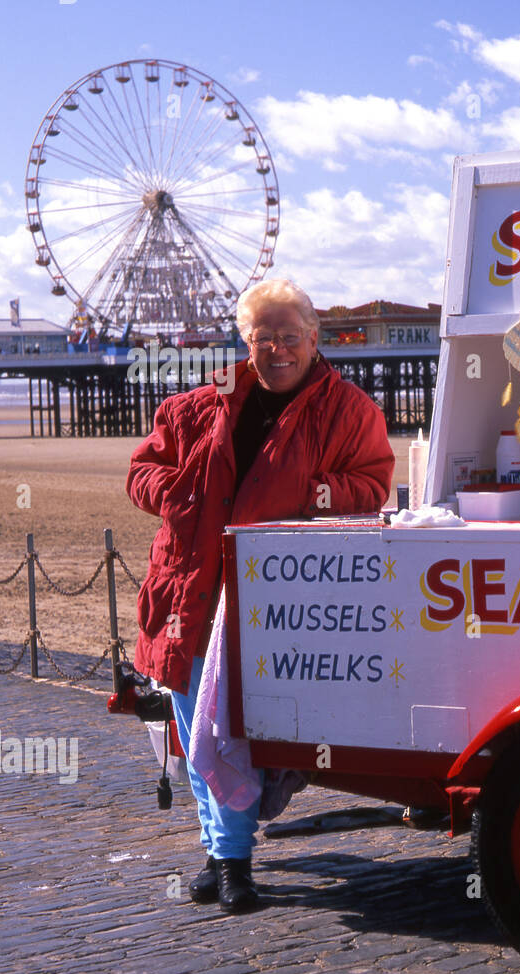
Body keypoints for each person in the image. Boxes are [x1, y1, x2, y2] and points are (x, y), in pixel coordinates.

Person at [127, 279, 394, 913]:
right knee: (198, 732)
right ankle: (225, 859)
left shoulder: (348, 410)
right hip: (192, 589)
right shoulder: (203, 402)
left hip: (278, 599)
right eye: (262, 338)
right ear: (244, 340)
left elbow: (375, 485)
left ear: (314, 337)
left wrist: (314, 493)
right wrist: (178, 497)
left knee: (237, 731)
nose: (276, 350)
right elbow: (142, 470)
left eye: (289, 337)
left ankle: (226, 856)